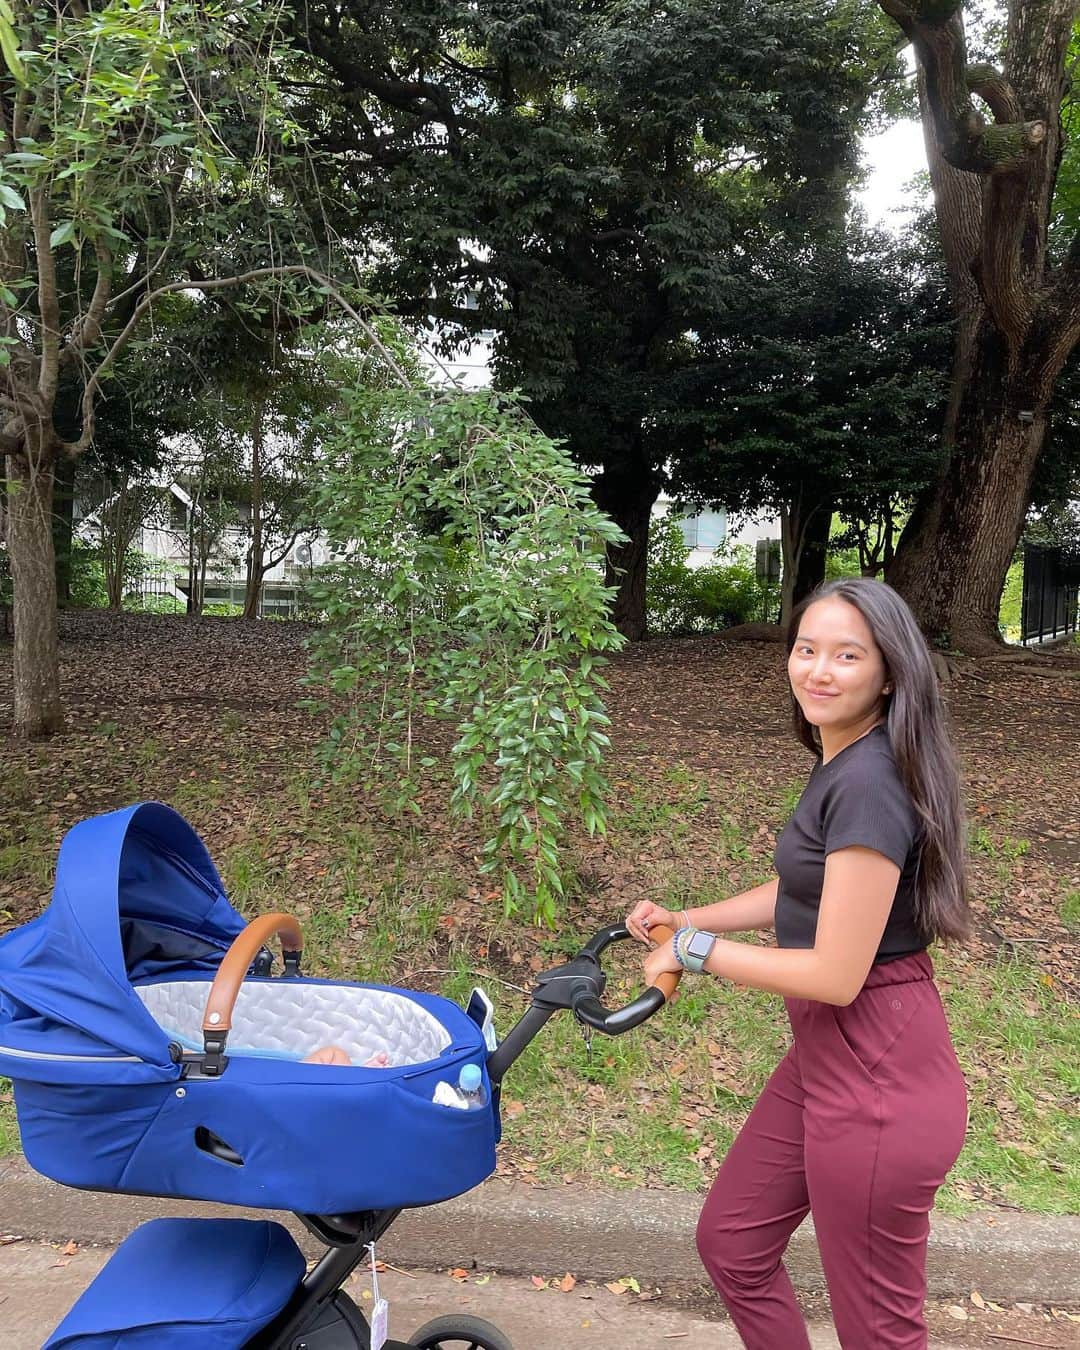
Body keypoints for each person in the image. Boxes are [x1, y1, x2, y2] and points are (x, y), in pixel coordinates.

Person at [627, 578, 969, 1350]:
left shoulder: (872, 782)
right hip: (830, 1059)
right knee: (734, 1243)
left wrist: (693, 952)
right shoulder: (848, 762)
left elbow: (835, 974)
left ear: (889, 671)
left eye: (847, 655)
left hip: (877, 1074)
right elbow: (807, 888)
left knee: (878, 1332)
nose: (818, 670)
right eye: (807, 649)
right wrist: (688, 917)